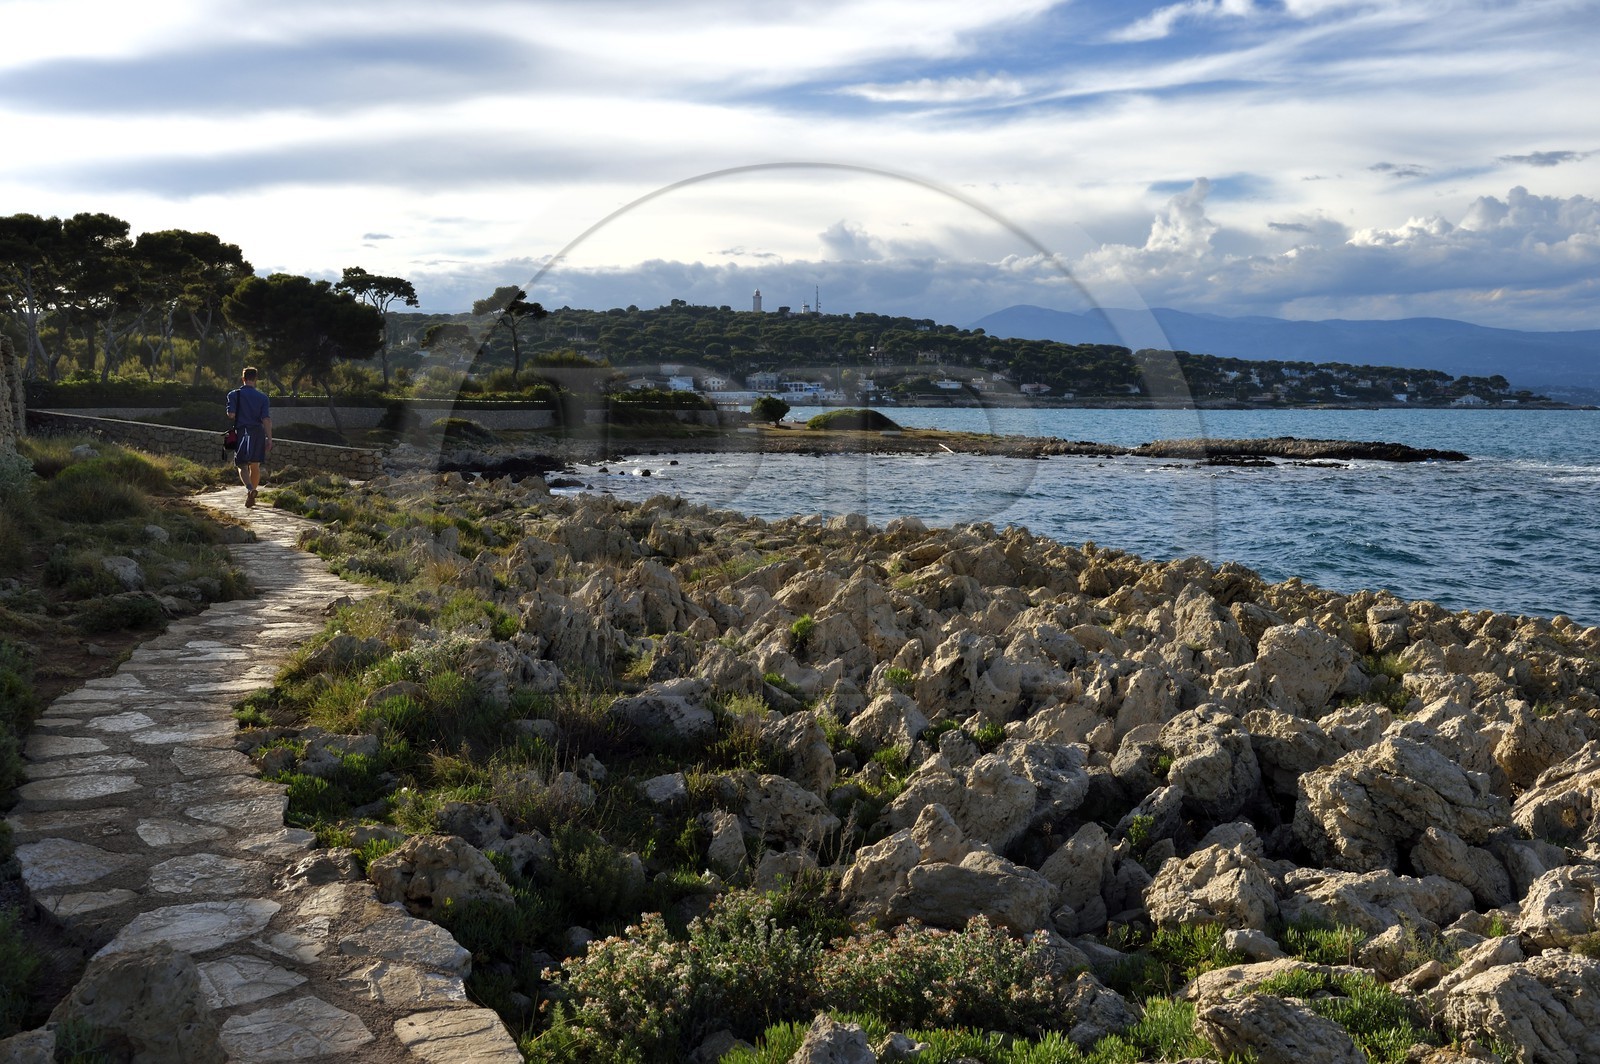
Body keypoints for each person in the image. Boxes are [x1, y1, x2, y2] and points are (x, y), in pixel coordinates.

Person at [226, 366, 273, 508]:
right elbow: (266, 419)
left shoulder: (234, 395)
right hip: (258, 433)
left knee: (241, 464)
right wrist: (269, 439)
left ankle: (250, 489)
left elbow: (231, 415)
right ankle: (251, 495)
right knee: (255, 465)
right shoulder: (263, 397)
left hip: (243, 432)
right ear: (256, 379)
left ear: (243, 379)